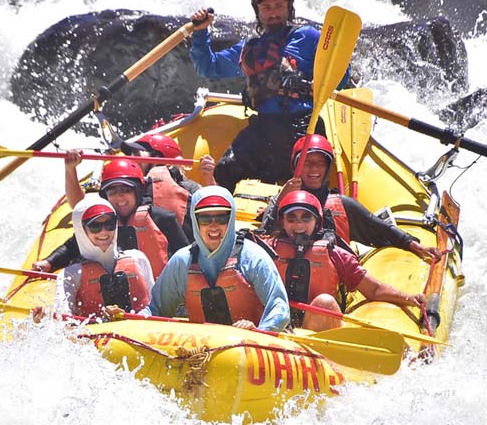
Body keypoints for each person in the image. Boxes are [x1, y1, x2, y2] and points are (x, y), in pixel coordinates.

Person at [189, 0, 350, 192]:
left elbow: (342, 75)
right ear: (257, 11)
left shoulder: (308, 37)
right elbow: (209, 66)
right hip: (264, 125)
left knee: (311, 178)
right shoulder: (251, 48)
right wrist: (200, 33)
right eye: (266, 7)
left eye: (278, 6)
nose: (273, 12)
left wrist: (317, 85)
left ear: (289, 7)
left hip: (303, 125)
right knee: (226, 169)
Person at [117, 186, 289, 332]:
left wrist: (259, 332)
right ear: (195, 220)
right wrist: (126, 322)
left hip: (251, 346)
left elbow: (279, 308)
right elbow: (155, 309)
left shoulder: (253, 258)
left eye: (221, 218)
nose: (213, 225)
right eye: (205, 218)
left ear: (231, 219)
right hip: (199, 350)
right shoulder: (182, 261)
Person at [260, 134, 440, 260]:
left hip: (328, 290)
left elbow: (380, 228)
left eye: (320, 163)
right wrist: (281, 199)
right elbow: (264, 236)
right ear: (296, 166)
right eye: (306, 163)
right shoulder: (282, 201)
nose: (314, 169)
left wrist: (412, 244)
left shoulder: (341, 205)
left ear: (327, 167)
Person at [267, 191, 425, 331]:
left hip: (315, 331)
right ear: (283, 222)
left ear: (317, 222)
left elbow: (374, 290)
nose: (299, 224)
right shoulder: (267, 248)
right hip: (275, 325)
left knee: (325, 303)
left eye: (306, 217)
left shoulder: (335, 255)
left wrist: (409, 299)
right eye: (291, 218)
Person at [33, 157, 189, 277]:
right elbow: (74, 246)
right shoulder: (102, 220)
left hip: (158, 288)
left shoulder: (162, 219)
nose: (119, 196)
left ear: (138, 191)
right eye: (112, 192)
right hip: (118, 287)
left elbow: (185, 256)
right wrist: (49, 262)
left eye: (125, 189)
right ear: (105, 196)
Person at [33, 195, 154, 323]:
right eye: (95, 226)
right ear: (81, 230)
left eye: (109, 224)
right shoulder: (71, 275)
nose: (104, 232)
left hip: (145, 332)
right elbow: (66, 323)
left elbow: (157, 307)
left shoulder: (138, 258)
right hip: (98, 337)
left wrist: (130, 317)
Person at [120, 132, 200, 226]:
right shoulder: (129, 190)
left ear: (158, 158)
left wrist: (209, 178)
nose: (132, 158)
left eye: (137, 153)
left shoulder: (190, 189)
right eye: (131, 154)